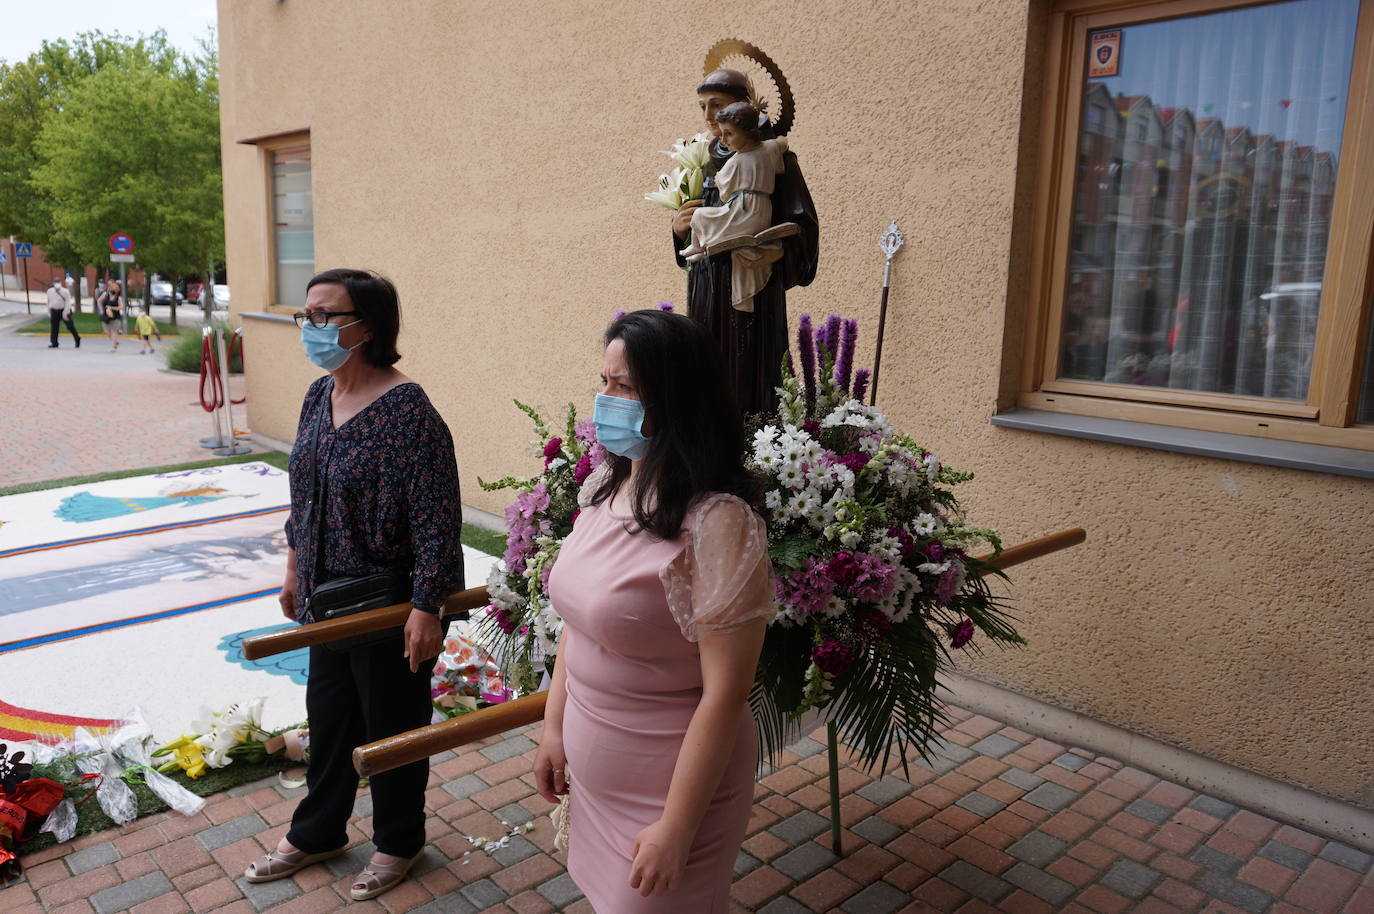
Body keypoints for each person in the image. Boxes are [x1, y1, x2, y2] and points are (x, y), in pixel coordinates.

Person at [534, 309, 775, 912]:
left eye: (626, 387)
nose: (605, 400)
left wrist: (677, 828)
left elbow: (725, 693)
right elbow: (578, 627)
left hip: (672, 794)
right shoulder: (603, 488)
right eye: (605, 382)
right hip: (593, 772)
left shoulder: (718, 525)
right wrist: (554, 726)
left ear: (674, 399)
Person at [243, 268, 464, 901]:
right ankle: (318, 831)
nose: (309, 327)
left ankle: (400, 840)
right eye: (305, 315)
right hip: (325, 598)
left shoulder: (409, 413)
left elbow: (436, 521)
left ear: (365, 327)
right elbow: (303, 491)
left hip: (387, 604)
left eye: (323, 316)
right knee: (330, 719)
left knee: (393, 729)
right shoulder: (319, 395)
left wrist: (426, 610)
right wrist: (293, 568)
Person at [671, 68, 819, 415]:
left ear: (743, 107)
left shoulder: (774, 159)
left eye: (717, 104)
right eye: (702, 106)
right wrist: (679, 231)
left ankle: (759, 444)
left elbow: (804, 224)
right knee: (707, 371)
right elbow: (689, 228)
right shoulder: (700, 163)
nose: (708, 115)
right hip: (707, 286)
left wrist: (779, 250)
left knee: (752, 370)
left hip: (756, 285)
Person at [46, 277, 79, 348]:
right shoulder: (49, 291)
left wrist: (65, 313)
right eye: (55, 282)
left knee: (70, 326)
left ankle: (77, 339)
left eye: (58, 282)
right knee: (54, 328)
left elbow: (68, 303)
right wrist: (49, 313)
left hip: (64, 310)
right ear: (53, 283)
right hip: (54, 311)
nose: (57, 284)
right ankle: (54, 342)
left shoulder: (65, 291)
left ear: (60, 283)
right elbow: (48, 302)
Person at [95, 280, 124, 351]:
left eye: (115, 289)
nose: (113, 290)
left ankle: (113, 347)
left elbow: (121, 307)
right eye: (112, 288)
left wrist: (112, 308)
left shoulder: (118, 298)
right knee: (106, 331)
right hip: (105, 315)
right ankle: (115, 342)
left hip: (115, 316)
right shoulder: (105, 294)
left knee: (114, 331)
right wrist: (101, 310)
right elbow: (99, 301)